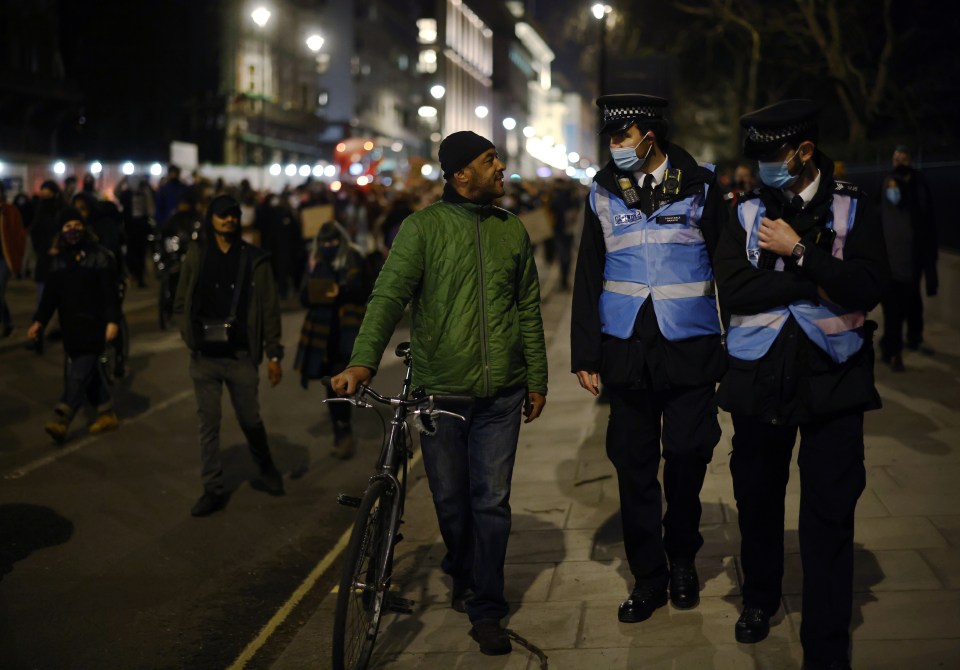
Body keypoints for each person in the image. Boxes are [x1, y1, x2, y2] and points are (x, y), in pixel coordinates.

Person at [331, 130, 548, 657]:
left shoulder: (511, 230)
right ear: (461, 175)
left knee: (491, 501)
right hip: (441, 394)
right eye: (489, 159)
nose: (501, 167)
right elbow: (388, 295)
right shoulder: (422, 228)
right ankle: (462, 567)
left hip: (502, 395)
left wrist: (537, 378)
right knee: (451, 501)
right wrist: (362, 361)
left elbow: (527, 308)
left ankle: (486, 607)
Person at [713, 99, 889, 670]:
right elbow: (734, 291)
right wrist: (813, 283)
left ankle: (826, 642)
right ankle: (760, 598)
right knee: (757, 499)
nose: (763, 166)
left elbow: (865, 286)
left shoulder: (853, 207)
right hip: (758, 378)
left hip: (832, 380)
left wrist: (798, 253)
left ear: (804, 152)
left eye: (772, 155)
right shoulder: (742, 211)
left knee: (830, 513)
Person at [570, 94, 726, 625]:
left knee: (687, 454)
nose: (615, 148)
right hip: (627, 350)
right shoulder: (602, 189)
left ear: (648, 137)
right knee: (633, 466)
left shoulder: (703, 186)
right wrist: (584, 352)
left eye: (621, 138)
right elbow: (589, 272)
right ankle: (649, 577)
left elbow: (727, 267)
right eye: (611, 140)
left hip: (689, 347)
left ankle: (683, 555)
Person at [173, 195, 286, 517]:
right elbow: (181, 301)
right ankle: (213, 488)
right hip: (204, 357)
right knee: (208, 425)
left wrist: (273, 354)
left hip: (240, 355)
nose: (229, 220)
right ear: (211, 219)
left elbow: (269, 308)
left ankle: (267, 469)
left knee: (250, 419)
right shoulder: (197, 255)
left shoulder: (254, 259)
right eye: (222, 215)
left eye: (233, 215)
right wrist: (188, 336)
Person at [27, 207, 121, 442]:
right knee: (88, 370)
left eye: (76, 225)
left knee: (79, 372)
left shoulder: (100, 256)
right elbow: (50, 297)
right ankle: (106, 412)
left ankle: (62, 417)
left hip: (95, 325)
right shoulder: (58, 261)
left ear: (85, 228)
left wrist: (112, 321)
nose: (72, 230)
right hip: (71, 327)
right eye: (67, 226)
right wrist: (38, 321)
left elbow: (110, 294)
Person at [293, 220, 371, 459]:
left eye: (333, 242)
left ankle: (343, 430)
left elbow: (365, 289)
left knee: (342, 381)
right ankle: (340, 429)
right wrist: (316, 292)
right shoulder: (314, 260)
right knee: (329, 381)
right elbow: (304, 295)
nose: (329, 246)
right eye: (325, 242)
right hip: (321, 330)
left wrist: (341, 290)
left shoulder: (353, 258)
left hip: (345, 329)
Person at [878, 145, 938, 368]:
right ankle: (892, 349)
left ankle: (908, 339)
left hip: (912, 257)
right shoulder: (890, 183)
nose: (899, 162)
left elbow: (926, 219)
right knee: (894, 306)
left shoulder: (918, 185)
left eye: (903, 158)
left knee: (911, 302)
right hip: (892, 260)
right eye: (896, 158)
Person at [1, 182, 26, 337]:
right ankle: (8, 322)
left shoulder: (10, 211)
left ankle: (7, 323)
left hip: (5, 259)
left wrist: (17, 262)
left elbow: (18, 237)